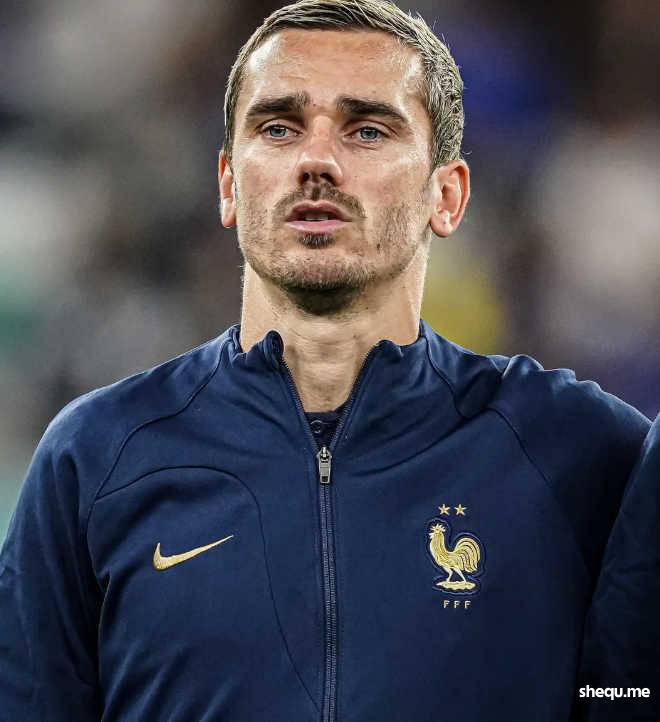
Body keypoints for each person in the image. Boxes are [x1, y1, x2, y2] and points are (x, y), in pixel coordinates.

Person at [0, 1, 655, 720]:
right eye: (278, 127)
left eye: (367, 129)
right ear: (228, 185)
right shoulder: (96, 458)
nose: (316, 160)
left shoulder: (583, 452)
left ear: (447, 196)